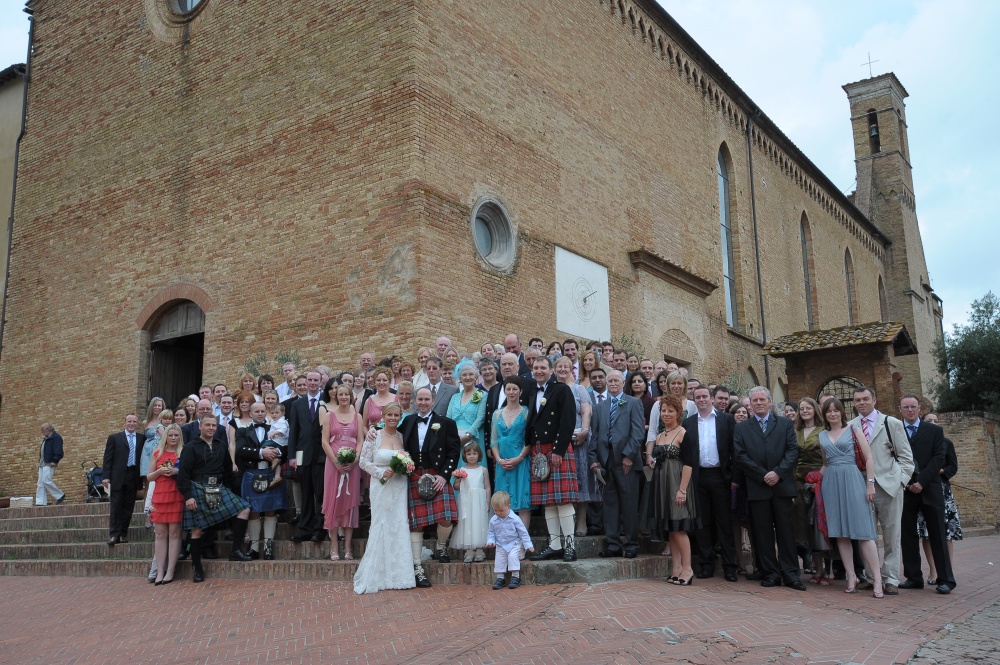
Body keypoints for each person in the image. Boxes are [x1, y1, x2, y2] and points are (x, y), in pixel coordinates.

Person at [733, 387, 805, 591]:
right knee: (763, 534)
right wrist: (762, 475)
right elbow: (740, 455)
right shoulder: (742, 428)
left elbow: (792, 451)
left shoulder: (784, 425)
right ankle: (771, 572)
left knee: (786, 532)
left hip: (781, 486)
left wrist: (777, 473)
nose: (758, 403)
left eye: (762, 399)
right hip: (758, 487)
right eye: (754, 400)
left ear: (770, 401)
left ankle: (791, 574)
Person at [848, 385, 913, 596]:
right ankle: (870, 575)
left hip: (889, 486)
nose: (862, 403)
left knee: (891, 534)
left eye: (865, 399)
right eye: (858, 400)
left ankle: (891, 578)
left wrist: (901, 481)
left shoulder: (891, 423)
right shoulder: (850, 426)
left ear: (874, 400)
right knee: (866, 534)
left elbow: (906, 457)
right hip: (861, 487)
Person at [818, 398, 883, 598]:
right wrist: (815, 483)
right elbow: (825, 463)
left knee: (864, 532)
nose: (833, 414)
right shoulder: (822, 435)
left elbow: (869, 457)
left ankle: (877, 578)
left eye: (836, 410)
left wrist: (870, 483)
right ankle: (851, 575)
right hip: (831, 483)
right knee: (840, 533)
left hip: (853, 479)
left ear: (842, 412)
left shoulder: (854, 429)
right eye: (829, 411)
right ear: (825, 414)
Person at [176, 414, 254, 582]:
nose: (211, 428)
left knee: (244, 509)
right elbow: (183, 476)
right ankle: (197, 567)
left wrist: (228, 490)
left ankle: (235, 551)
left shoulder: (221, 446)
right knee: (197, 529)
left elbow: (227, 471)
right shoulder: (190, 447)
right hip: (197, 487)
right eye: (208, 425)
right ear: (200, 427)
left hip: (219, 487)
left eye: (214, 425)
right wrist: (188, 496)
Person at [401, 387, 462, 587]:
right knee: (415, 524)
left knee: (446, 518)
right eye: (420, 399)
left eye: (427, 399)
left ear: (433, 399)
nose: (423, 402)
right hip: (415, 475)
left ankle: (441, 546)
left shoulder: (446, 423)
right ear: (414, 400)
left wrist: (445, 476)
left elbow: (454, 453)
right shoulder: (408, 421)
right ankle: (417, 566)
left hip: (437, 475)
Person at [354, 402, 415, 594]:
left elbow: (408, 461)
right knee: (381, 523)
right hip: (380, 486)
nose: (393, 418)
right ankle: (378, 573)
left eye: (397, 415)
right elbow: (363, 462)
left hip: (399, 486)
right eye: (390, 415)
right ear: (383, 415)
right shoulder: (374, 435)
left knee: (398, 523)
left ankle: (400, 574)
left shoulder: (402, 437)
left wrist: (404, 467)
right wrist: (381, 473)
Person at [898, 395, 955, 594]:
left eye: (913, 407)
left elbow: (939, 457)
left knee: (938, 534)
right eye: (906, 407)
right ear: (900, 409)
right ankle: (913, 577)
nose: (910, 410)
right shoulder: (895, 430)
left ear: (919, 408)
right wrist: (906, 481)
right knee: (907, 535)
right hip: (905, 489)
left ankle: (945, 579)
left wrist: (921, 481)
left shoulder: (935, 431)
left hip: (930, 488)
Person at [526, 356, 580, 562]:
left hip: (557, 448)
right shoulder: (532, 392)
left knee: (563, 499)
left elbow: (568, 420)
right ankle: (554, 545)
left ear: (551, 370)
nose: (539, 371)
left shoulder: (561, 390)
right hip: (539, 451)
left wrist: (559, 450)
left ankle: (570, 546)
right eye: (536, 368)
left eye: (543, 368)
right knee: (548, 501)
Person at [683, 386, 738, 581]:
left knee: (724, 522)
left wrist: (733, 477)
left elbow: (734, 450)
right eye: (698, 397)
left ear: (712, 398)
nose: (701, 400)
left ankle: (730, 566)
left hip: (720, 477)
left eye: (705, 396)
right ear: (694, 400)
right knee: (702, 523)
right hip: (699, 477)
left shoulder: (726, 420)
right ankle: (706, 565)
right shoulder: (688, 423)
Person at [590, 370, 645, 559]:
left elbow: (638, 433)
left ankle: (631, 544)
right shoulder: (600, 407)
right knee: (610, 505)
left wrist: (629, 455)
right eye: (610, 380)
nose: (613, 383)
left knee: (629, 504)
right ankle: (613, 544)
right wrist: (594, 460)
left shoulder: (633, 403)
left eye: (616, 380)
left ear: (623, 382)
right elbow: (595, 435)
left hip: (626, 462)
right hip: (606, 462)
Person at [646, 394, 698, 583]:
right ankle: (675, 568)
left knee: (679, 528)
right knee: (671, 528)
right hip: (661, 486)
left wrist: (682, 490)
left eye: (671, 411)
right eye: (663, 410)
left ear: (678, 413)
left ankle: (688, 568)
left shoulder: (683, 433)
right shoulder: (659, 436)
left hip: (678, 485)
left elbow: (689, 463)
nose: (666, 414)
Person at [235, 402, 286, 560]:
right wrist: (261, 452)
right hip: (252, 472)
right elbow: (241, 450)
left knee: (271, 508)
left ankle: (268, 546)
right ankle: (254, 546)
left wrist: (277, 451)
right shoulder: (243, 431)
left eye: (263, 411)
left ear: (267, 413)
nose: (260, 413)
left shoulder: (275, 427)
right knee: (253, 510)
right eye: (256, 411)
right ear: (250, 414)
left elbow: (285, 445)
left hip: (270, 472)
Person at [321, 384, 364, 560]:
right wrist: (336, 461)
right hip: (333, 463)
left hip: (353, 464)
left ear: (351, 396)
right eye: (341, 394)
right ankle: (333, 547)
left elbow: (360, 440)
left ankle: (347, 547)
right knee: (333, 500)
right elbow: (324, 442)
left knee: (350, 502)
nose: (344, 397)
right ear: (336, 396)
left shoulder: (358, 416)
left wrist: (355, 459)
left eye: (347, 394)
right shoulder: (329, 415)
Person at [554, 356, 595, 537]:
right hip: (559, 443)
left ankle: (581, 521)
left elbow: (586, 411)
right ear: (554, 370)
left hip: (579, 440)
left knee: (581, 478)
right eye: (559, 366)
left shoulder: (579, 389)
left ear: (572, 369)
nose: (562, 369)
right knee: (565, 482)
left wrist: (585, 430)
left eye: (566, 366)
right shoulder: (552, 389)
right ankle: (567, 520)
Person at [288, 370, 327, 543]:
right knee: (305, 493)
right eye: (309, 380)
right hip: (303, 454)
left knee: (320, 493)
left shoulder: (326, 401)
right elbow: (293, 432)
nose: (312, 383)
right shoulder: (298, 404)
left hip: (321, 454)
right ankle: (304, 529)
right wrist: (291, 456)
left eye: (315, 380)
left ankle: (319, 529)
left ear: (320, 382)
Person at [793, 397, 829, 584]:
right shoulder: (796, 430)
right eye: (801, 408)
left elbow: (827, 458)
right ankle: (817, 567)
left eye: (808, 408)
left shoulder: (824, 430)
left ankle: (827, 570)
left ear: (815, 409)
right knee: (805, 525)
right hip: (799, 481)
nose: (805, 411)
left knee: (821, 524)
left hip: (820, 480)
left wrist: (819, 478)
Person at [490, 377, 532, 530]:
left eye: (515, 389)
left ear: (520, 391)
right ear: (504, 391)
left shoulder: (526, 412)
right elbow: (494, 440)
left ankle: (522, 543)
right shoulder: (497, 414)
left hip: (520, 460)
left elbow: (529, 440)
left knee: (522, 503)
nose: (511, 392)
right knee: (502, 502)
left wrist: (519, 458)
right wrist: (499, 459)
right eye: (508, 389)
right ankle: (505, 541)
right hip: (502, 463)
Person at [147, 423, 184, 585]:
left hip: (176, 494)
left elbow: (188, 473)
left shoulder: (183, 452)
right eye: (171, 435)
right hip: (160, 495)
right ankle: (159, 571)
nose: (173, 438)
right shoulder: (157, 453)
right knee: (160, 534)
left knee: (174, 533)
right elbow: (149, 477)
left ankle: (170, 570)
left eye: (176, 435)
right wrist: (159, 472)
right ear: (166, 437)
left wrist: (176, 471)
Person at [102, 414, 146, 546]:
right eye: (129, 421)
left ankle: (123, 533)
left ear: (137, 424)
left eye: (134, 421)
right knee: (116, 505)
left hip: (133, 475)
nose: (132, 423)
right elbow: (108, 458)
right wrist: (105, 476)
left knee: (128, 506)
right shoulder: (115, 438)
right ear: (125, 423)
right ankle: (114, 534)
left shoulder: (141, 438)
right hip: (118, 476)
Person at [485, 491, 534, 589]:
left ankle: (515, 576)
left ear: (508, 506)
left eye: (501, 510)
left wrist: (528, 545)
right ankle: (500, 578)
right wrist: (490, 541)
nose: (498, 513)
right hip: (501, 544)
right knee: (499, 559)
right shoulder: (493, 520)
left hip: (514, 543)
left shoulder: (515, 519)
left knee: (512, 557)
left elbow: (523, 532)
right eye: (495, 510)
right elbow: (491, 533)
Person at [452, 442, 491, 563]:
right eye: (469, 454)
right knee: (467, 523)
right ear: (465, 455)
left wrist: (487, 501)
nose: (472, 456)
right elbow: (456, 486)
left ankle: (480, 550)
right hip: (466, 501)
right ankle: (469, 550)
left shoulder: (483, 470)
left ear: (479, 455)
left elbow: (487, 487)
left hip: (479, 500)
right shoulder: (461, 470)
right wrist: (459, 479)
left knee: (479, 522)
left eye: (475, 453)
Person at [447, 360, 488, 465]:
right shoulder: (454, 397)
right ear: (460, 378)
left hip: (473, 439)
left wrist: (468, 435)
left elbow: (481, 418)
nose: (468, 377)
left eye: (471, 374)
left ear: (476, 377)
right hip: (455, 440)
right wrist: (452, 437)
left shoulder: (482, 395)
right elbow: (448, 418)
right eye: (464, 375)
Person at [36, 423, 65, 506]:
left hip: (49, 462)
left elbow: (59, 451)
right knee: (40, 483)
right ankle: (40, 502)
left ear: (48, 430)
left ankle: (60, 495)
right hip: (43, 463)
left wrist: (55, 461)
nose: (42, 432)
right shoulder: (47, 438)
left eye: (43, 431)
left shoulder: (56, 437)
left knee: (46, 480)